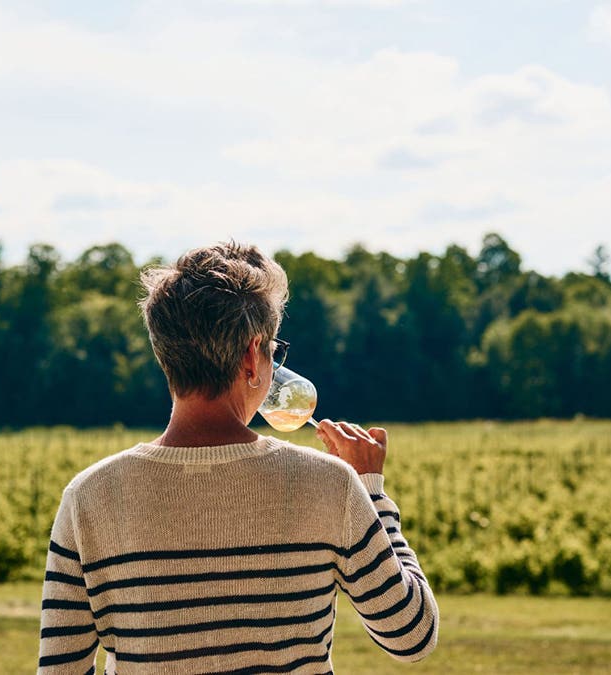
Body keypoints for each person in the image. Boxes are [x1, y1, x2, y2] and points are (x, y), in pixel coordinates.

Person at [37, 241, 438, 674]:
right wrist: (371, 491)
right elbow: (412, 635)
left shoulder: (89, 496)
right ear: (252, 356)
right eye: (273, 350)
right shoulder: (329, 484)